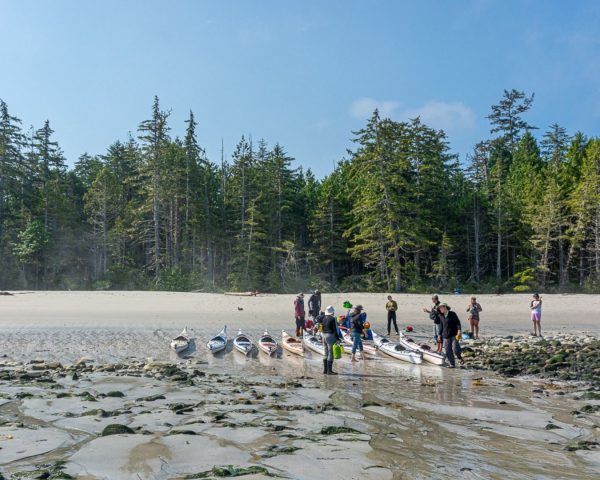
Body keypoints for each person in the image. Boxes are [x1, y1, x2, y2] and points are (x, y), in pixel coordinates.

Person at [437, 303, 462, 368]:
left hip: (454, 334)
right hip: (445, 336)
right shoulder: (441, 316)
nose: (440, 309)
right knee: (448, 350)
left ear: (445, 307)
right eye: (439, 308)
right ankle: (452, 364)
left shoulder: (452, 314)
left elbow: (458, 323)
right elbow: (441, 326)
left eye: (441, 307)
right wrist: (439, 335)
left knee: (455, 349)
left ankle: (459, 355)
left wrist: (459, 330)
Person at [322, 305, 342, 375]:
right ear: (333, 312)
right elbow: (335, 329)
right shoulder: (333, 318)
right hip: (330, 336)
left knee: (326, 352)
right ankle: (329, 371)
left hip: (324, 335)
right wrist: (337, 338)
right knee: (331, 352)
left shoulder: (324, 318)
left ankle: (325, 370)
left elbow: (322, 328)